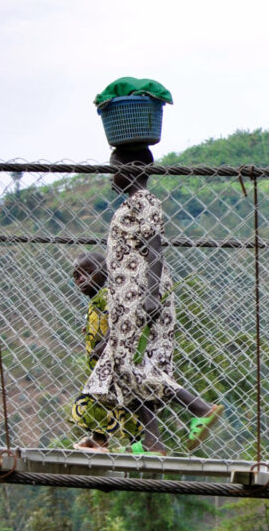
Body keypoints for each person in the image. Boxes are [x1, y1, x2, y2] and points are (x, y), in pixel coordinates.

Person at [81, 146, 222, 455]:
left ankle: (198, 408)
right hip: (129, 296)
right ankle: (152, 442)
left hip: (140, 293)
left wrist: (150, 294)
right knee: (137, 365)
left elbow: (155, 248)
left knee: (121, 364)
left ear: (130, 169)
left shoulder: (145, 201)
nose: (110, 176)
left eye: (114, 168)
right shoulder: (131, 204)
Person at [69, 251, 142, 452]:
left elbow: (119, 319)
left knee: (91, 403)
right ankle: (110, 443)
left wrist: (104, 343)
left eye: (88, 272)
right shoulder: (96, 300)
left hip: (111, 363)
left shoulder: (107, 295)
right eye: (76, 276)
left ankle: (104, 442)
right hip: (102, 368)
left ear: (107, 271)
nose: (81, 279)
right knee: (117, 406)